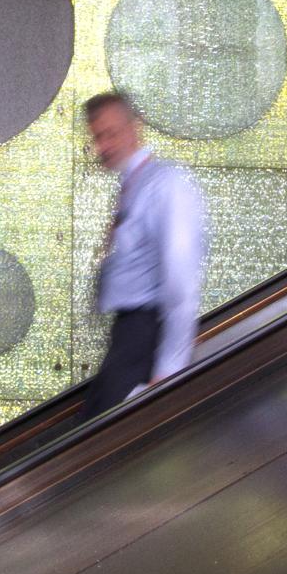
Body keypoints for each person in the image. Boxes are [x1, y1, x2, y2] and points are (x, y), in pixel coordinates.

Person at [80, 91, 209, 416]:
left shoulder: (165, 183)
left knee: (100, 448)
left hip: (146, 338)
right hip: (127, 338)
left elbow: (180, 281)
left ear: (135, 127)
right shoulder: (133, 186)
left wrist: (168, 372)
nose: (103, 147)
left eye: (111, 134)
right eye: (97, 137)